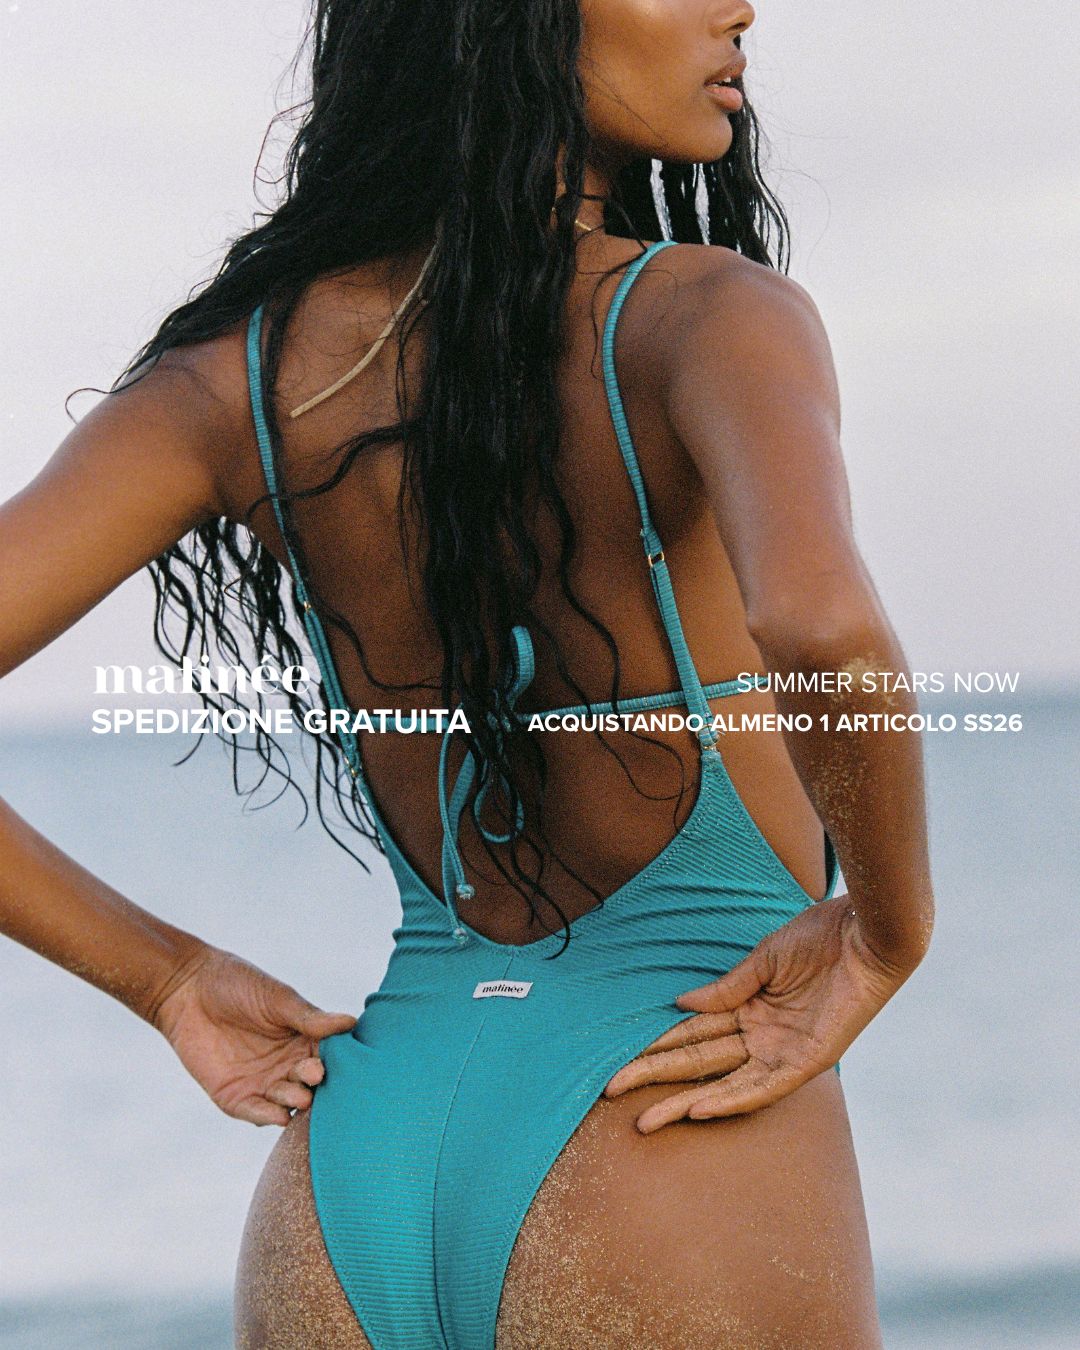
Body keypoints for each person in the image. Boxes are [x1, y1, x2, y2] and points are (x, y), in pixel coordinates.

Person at [0, 1, 936, 1346]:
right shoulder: (710, 316)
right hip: (665, 1128)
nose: (738, 6)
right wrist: (889, 928)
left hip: (357, 1160)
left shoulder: (236, 382)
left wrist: (165, 979)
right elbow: (819, 621)